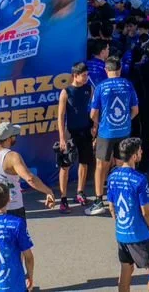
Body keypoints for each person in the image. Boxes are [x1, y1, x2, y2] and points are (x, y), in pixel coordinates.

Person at [106, 137, 149, 292]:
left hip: (122, 235)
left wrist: (119, 225)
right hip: (139, 236)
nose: (142, 152)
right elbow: (146, 212)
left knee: (125, 272)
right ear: (134, 156)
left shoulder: (112, 177)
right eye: (140, 150)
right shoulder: (139, 179)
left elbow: (111, 206)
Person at [92, 57, 141, 213]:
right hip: (124, 131)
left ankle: (99, 200)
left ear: (106, 70)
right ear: (119, 70)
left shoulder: (101, 87)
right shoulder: (128, 84)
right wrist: (126, 120)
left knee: (101, 166)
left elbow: (93, 113)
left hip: (106, 132)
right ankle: (125, 197)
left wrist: (101, 123)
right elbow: (135, 110)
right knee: (123, 164)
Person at [0, 123, 57, 219]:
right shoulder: (13, 156)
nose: (16, 138)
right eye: (14, 136)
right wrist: (48, 191)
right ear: (8, 139)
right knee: (16, 234)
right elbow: (30, 178)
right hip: (12, 207)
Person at [55, 61, 95, 214]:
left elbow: (91, 109)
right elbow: (60, 116)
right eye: (83, 76)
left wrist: (94, 125)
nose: (86, 78)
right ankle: (63, 199)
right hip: (70, 132)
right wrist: (62, 138)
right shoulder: (66, 92)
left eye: (87, 75)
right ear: (75, 76)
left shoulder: (88, 88)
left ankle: (80, 192)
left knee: (84, 163)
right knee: (65, 166)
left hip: (85, 131)